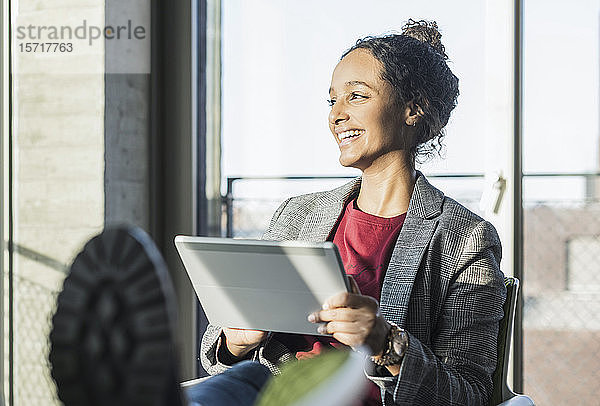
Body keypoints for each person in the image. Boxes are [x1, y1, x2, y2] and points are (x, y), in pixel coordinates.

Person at [201, 19, 506, 406]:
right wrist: (236, 340)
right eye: (332, 101)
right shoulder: (298, 214)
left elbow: (470, 394)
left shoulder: (465, 239)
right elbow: (216, 351)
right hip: (273, 389)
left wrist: (386, 343)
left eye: (356, 96)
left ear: (413, 109)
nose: (336, 115)